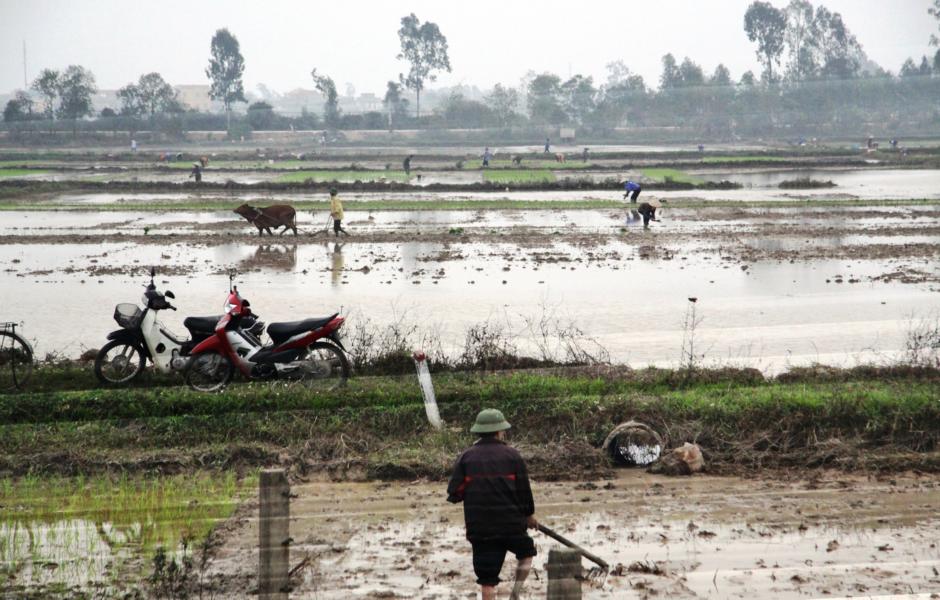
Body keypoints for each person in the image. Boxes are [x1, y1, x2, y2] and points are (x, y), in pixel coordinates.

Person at [448, 409, 537, 600]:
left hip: (481, 529)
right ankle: (515, 594)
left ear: (478, 432)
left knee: (487, 580)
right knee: (526, 552)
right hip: (512, 525)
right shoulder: (512, 455)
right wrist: (529, 515)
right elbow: (524, 491)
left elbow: (454, 493)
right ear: (499, 432)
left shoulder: (466, 457)